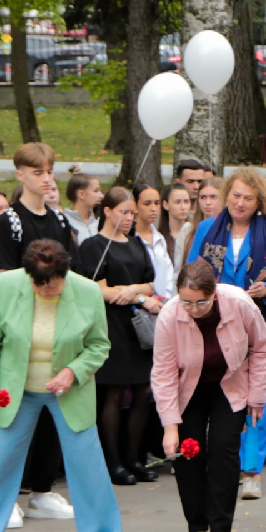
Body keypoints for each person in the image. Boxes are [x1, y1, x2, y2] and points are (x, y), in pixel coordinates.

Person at [0, 239, 122, 532]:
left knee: (88, 466)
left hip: (69, 390)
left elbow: (99, 345)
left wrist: (73, 371)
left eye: (52, 282)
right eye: (37, 282)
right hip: (15, 391)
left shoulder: (86, 291)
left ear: (64, 273)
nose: (45, 289)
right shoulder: (6, 285)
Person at [151, 261, 266, 532]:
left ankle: (221, 531)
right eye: (187, 302)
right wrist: (170, 425)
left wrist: (257, 397)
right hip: (187, 388)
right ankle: (197, 528)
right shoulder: (170, 315)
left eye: (201, 302)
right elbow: (163, 372)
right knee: (187, 451)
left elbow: (262, 348)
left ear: (214, 294)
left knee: (223, 449)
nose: (193, 309)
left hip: (229, 383)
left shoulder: (239, 304)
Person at [185, 169, 266, 500]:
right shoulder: (208, 228)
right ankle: (227, 463)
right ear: (226, 195)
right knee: (224, 399)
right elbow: (192, 274)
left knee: (256, 397)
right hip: (217, 328)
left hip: (263, 326)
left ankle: (251, 471)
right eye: (235, 195)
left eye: (248, 198)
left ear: (258, 200)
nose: (240, 203)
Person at [74, 186, 160, 485]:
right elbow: (97, 288)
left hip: (138, 326)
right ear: (107, 211)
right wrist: (133, 295)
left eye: (132, 213)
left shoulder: (136, 244)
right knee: (112, 392)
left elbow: (149, 283)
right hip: (111, 324)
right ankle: (112, 462)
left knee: (143, 391)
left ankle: (133, 457)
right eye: (123, 212)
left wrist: (133, 291)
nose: (128, 218)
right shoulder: (93, 246)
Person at [0, 143, 76, 294]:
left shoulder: (60, 220)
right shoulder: (8, 221)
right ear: (20, 175)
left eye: (50, 172)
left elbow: (72, 268)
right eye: (38, 173)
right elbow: (5, 275)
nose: (46, 179)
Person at [131, 183, 176, 301]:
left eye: (157, 203)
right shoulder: (129, 238)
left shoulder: (159, 238)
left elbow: (168, 274)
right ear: (135, 206)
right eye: (147, 204)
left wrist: (166, 298)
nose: (153, 208)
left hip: (162, 303)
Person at [64, 172, 103, 245]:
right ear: (81, 194)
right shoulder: (65, 222)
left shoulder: (100, 221)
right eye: (96, 191)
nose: (101, 196)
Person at [161, 182, 194, 267]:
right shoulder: (159, 237)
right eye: (177, 202)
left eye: (186, 202)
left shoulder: (195, 233)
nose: (183, 207)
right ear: (166, 204)